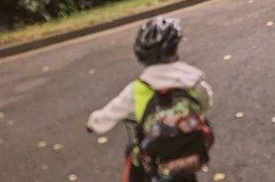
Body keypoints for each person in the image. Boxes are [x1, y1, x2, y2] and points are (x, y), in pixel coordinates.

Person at [87, 17, 214, 181]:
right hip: (189, 152)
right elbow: (207, 101)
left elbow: (110, 113)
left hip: (158, 157)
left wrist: (93, 123)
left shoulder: (137, 88)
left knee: (136, 158)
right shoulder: (192, 80)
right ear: (175, 49)